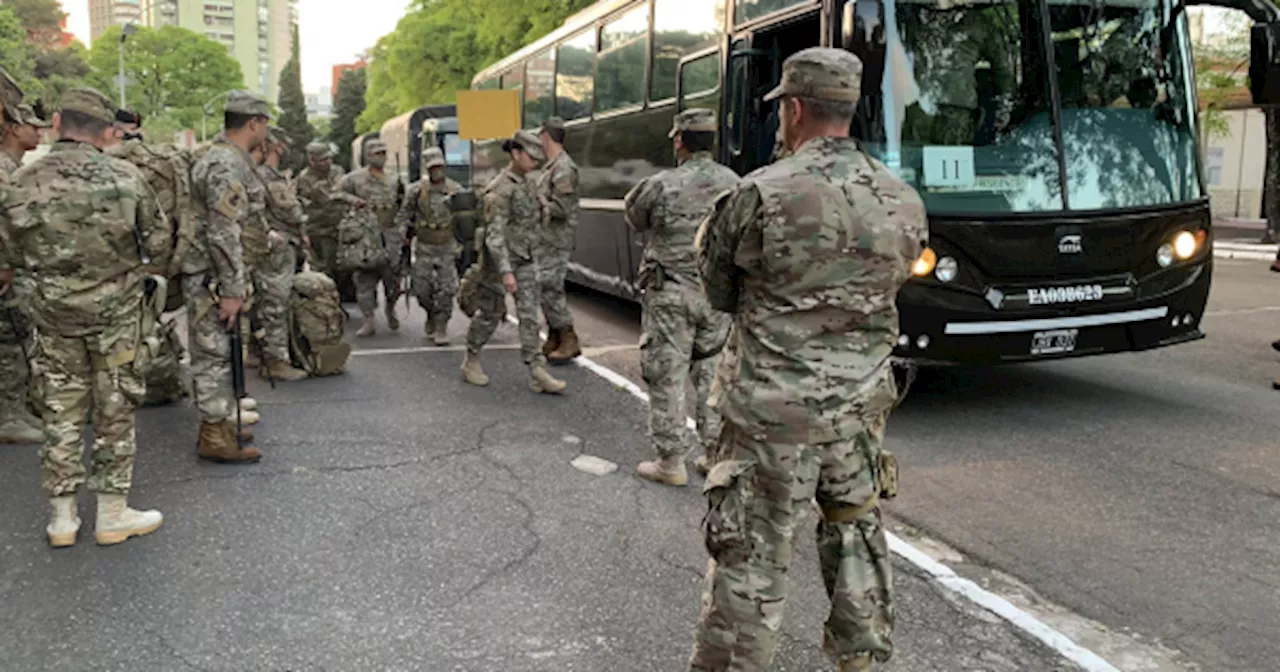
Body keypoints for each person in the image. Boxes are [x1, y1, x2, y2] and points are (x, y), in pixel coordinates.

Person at [688, 48, 927, 672]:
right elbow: (894, 285)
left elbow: (718, 291)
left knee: (751, 560)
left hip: (771, 417)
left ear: (793, 110)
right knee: (855, 536)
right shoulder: (902, 198)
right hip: (858, 414)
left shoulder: (760, 194)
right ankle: (861, 661)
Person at [2, 87, 165, 547]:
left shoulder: (22, 181)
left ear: (57, 123)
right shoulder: (125, 176)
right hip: (115, 312)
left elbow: (8, 251)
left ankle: (62, 518)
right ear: (105, 131)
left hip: (51, 310)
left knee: (60, 410)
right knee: (115, 407)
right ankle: (112, 513)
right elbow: (157, 237)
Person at [624, 108, 740, 487]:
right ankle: (715, 454)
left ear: (679, 142)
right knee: (712, 374)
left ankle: (671, 461)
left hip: (671, 293)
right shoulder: (736, 185)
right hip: (717, 296)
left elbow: (635, 217)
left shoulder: (661, 184)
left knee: (667, 374)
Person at [185, 90, 271, 464]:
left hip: (213, 272)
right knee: (214, 353)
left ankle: (219, 423)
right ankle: (213, 434)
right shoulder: (225, 164)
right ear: (253, 123)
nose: (266, 131)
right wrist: (233, 288)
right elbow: (223, 229)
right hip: (211, 276)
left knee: (219, 349)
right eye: (265, 124)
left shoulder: (221, 157)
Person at [463, 130, 567, 394]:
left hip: (525, 259)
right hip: (498, 265)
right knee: (490, 314)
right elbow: (494, 236)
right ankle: (471, 358)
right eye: (530, 156)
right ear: (515, 154)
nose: (535, 161)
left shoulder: (529, 183)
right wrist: (506, 272)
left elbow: (533, 220)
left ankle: (536, 369)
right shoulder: (500, 189)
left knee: (529, 316)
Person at [0, 86, 48, 445]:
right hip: (8, 270)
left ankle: (17, 408)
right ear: (14, 129)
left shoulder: (13, 167)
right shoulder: (3, 167)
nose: (39, 132)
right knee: (11, 341)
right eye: (33, 125)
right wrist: (6, 264)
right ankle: (9, 416)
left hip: (16, 265)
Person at [251, 126, 310, 381]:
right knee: (276, 301)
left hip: (277, 244)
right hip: (277, 245)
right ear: (273, 146)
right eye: (281, 146)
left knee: (267, 301)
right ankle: (276, 361)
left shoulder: (267, 175)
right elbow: (290, 212)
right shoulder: (268, 177)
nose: (284, 150)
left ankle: (262, 353)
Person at [333, 139, 402, 336]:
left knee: (393, 278)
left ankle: (390, 308)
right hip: (365, 235)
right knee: (364, 279)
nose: (381, 157)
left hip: (390, 234)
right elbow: (334, 194)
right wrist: (352, 200)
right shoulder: (354, 179)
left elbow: (402, 204)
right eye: (376, 154)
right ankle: (368, 319)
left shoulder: (394, 179)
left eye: (383, 153)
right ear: (367, 156)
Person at [395, 146, 462, 345]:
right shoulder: (416, 191)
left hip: (447, 247)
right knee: (422, 289)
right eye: (433, 167)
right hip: (424, 247)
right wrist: (402, 232)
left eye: (440, 166)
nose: (437, 171)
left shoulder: (455, 190)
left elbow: (465, 218)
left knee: (446, 289)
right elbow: (404, 214)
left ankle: (441, 326)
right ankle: (430, 313)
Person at [535, 117, 582, 363]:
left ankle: (568, 336)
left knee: (550, 286)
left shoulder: (563, 168)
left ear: (546, 137)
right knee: (545, 286)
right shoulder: (551, 167)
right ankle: (554, 335)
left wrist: (539, 202)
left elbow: (562, 209)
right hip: (547, 238)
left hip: (556, 239)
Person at [297, 142, 347, 282]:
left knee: (345, 266)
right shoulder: (304, 179)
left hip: (341, 228)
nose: (327, 162)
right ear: (311, 160)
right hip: (319, 230)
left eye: (329, 158)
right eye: (322, 160)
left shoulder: (337, 171)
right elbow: (305, 204)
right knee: (323, 269)